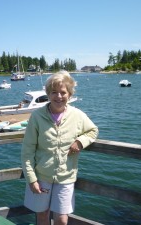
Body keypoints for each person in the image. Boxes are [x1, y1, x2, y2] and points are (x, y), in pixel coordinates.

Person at [21, 70, 98, 225]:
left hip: (66, 178)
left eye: (63, 92)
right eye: (54, 92)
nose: (59, 96)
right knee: (42, 216)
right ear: (48, 94)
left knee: (62, 220)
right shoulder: (36, 116)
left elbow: (93, 130)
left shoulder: (77, 115)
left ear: (69, 94)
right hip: (41, 177)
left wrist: (80, 142)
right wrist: (31, 179)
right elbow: (27, 151)